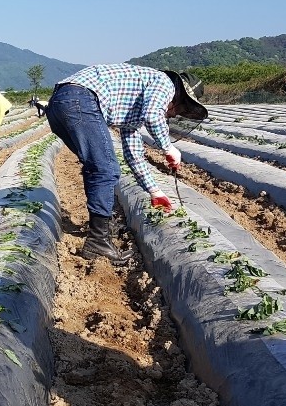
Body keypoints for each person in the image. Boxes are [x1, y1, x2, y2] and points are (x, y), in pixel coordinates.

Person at [45, 63, 208, 264]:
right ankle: (98, 241)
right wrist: (168, 148)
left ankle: (103, 227)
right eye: (181, 109)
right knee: (105, 168)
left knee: (96, 166)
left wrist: (155, 192)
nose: (174, 115)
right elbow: (153, 115)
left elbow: (134, 154)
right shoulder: (165, 84)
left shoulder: (134, 106)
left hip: (61, 103)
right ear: (179, 97)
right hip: (79, 99)